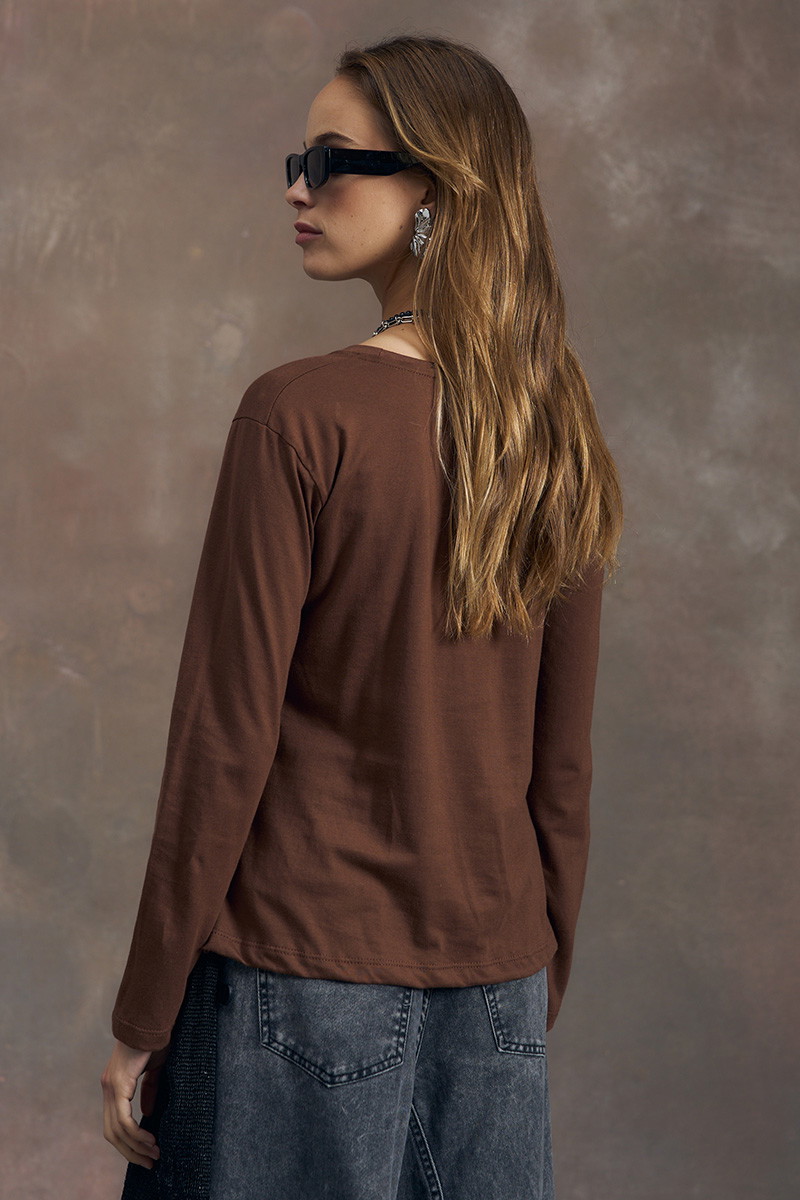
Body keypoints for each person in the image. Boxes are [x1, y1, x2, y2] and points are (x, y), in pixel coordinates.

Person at [101, 31, 623, 1199]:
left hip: (299, 972)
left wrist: (143, 1015)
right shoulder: (555, 429)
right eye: (299, 161)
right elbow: (561, 766)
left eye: (333, 162)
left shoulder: (297, 416)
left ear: (434, 189)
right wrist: (532, 971)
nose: (299, 187)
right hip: (495, 985)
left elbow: (222, 745)